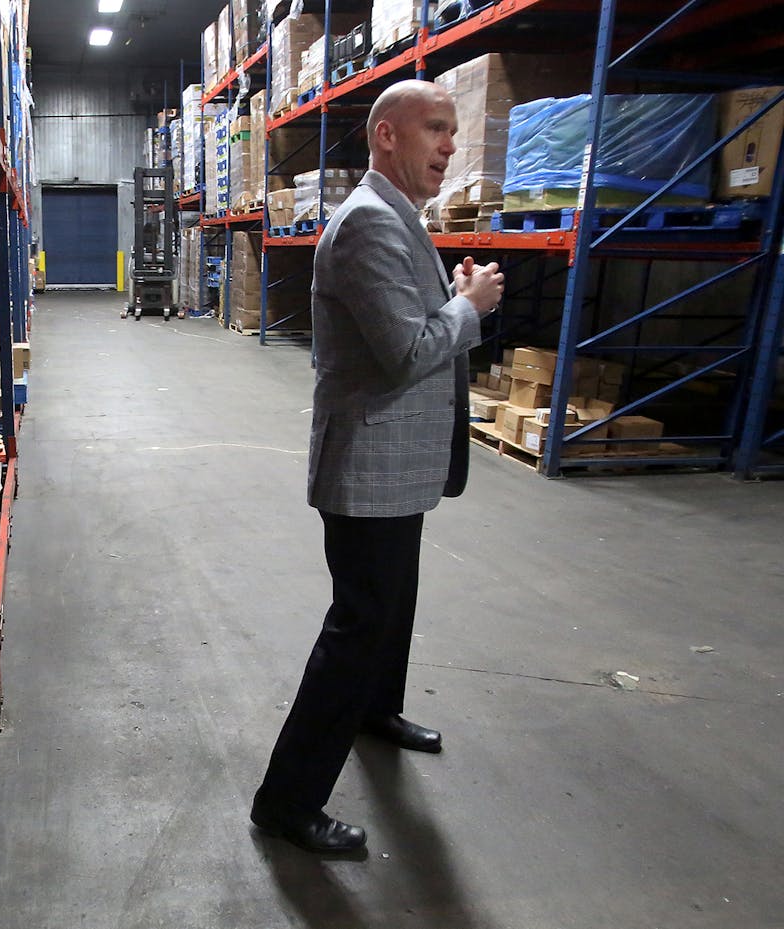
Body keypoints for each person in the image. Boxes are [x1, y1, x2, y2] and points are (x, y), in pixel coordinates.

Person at [251, 79, 504, 854]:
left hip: (399, 465)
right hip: (369, 470)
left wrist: (449, 298)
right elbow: (406, 352)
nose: (450, 147)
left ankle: (374, 709)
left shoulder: (400, 218)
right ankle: (287, 800)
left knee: (392, 605)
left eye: (453, 133)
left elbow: (408, 323)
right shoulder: (368, 223)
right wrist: (472, 308)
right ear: (386, 136)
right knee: (359, 624)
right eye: (435, 129)